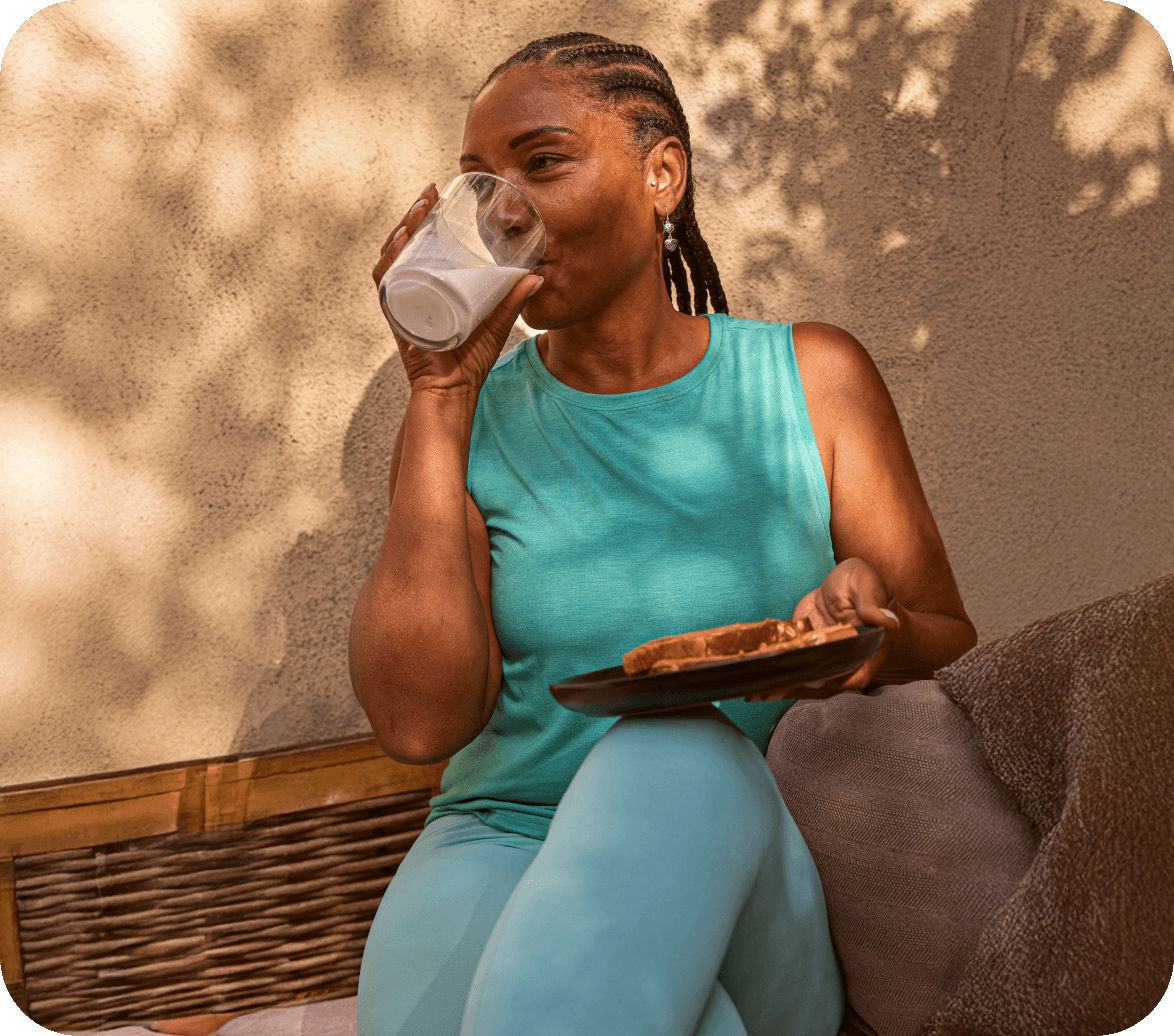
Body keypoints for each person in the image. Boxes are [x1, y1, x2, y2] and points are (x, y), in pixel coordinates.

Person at [348, 32, 976, 1036]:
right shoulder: (463, 422)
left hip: (734, 858)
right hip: (499, 836)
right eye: (479, 183)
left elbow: (940, 624)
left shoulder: (813, 378)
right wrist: (437, 394)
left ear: (662, 176)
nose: (501, 210)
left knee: (672, 747)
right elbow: (419, 727)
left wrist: (863, 634)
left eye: (541, 163)